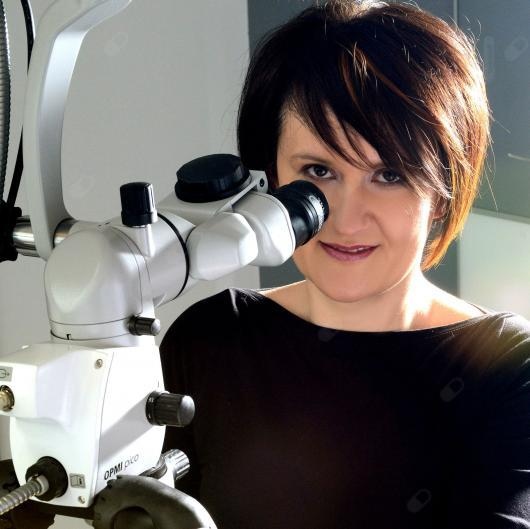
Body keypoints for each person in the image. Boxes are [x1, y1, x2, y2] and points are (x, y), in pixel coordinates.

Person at [161, 1, 530, 528]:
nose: (347, 218)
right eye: (318, 170)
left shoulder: (508, 370)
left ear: (441, 194)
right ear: (270, 178)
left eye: (389, 176)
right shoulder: (207, 341)